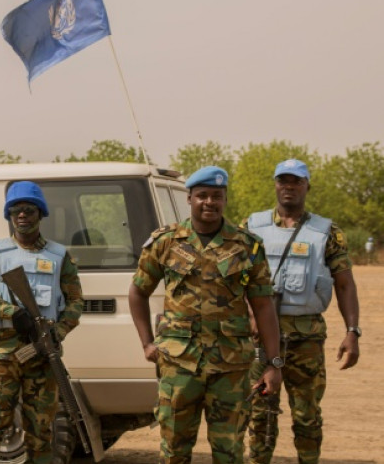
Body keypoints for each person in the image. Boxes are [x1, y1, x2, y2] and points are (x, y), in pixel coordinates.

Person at [128, 166, 283, 464]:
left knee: (230, 453)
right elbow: (137, 292)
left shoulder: (247, 246)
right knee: (174, 450)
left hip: (231, 369)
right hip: (178, 366)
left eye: (216, 196)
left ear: (225, 199)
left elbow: (263, 306)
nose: (209, 202)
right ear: (189, 198)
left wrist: (273, 363)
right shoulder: (165, 242)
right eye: (202, 196)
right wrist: (147, 343)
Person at [243, 159, 361, 464]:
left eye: (296, 181)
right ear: (275, 184)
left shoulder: (327, 232)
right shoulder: (251, 227)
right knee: (260, 415)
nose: (289, 187)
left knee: (307, 417)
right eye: (283, 181)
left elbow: (345, 284)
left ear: (307, 186)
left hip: (306, 339)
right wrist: (251, 315)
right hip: (260, 340)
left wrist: (352, 332)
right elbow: (234, 278)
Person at [0, 181, 84, 464]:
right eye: (16, 210)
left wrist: (58, 332)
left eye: (29, 210)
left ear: (40, 214)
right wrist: (12, 313)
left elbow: (76, 302)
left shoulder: (59, 256)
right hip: (4, 355)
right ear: (9, 215)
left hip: (43, 355)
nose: (22, 215)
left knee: (41, 431)